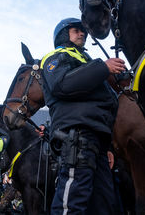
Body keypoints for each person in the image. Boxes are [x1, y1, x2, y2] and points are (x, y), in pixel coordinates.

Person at [40, 17, 126, 215]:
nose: (82, 33)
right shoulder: (56, 57)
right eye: (76, 30)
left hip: (98, 143)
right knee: (72, 204)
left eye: (83, 31)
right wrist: (103, 68)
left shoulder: (86, 62)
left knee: (104, 205)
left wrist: (108, 147)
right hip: (77, 136)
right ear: (63, 34)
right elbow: (62, 85)